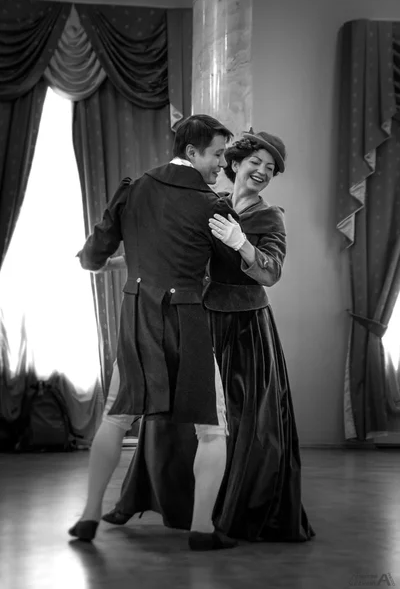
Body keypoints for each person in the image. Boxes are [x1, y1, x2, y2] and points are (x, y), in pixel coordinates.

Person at [102, 129, 315, 542]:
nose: (262, 172)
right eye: (256, 162)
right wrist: (115, 261)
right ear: (234, 164)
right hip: (198, 320)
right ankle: (151, 500)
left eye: (270, 169)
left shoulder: (270, 217)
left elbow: (271, 271)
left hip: (245, 329)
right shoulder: (206, 205)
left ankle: (230, 515)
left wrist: (243, 246)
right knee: (173, 415)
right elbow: (172, 249)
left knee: (240, 422)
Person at [68, 114, 246, 551]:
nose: (221, 164)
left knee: (116, 415)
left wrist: (111, 261)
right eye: (218, 154)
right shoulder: (214, 205)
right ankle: (202, 529)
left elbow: (93, 257)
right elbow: (230, 276)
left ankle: (90, 514)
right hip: (188, 321)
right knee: (212, 428)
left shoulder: (134, 189)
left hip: (137, 316)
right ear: (191, 152)